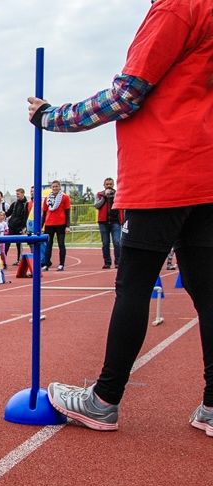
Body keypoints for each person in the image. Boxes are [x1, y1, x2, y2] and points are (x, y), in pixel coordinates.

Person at [29, 0, 213, 435]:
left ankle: (104, 399)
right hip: (204, 170)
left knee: (133, 285)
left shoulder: (176, 8)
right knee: (208, 292)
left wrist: (51, 117)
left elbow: (126, 95)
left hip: (162, 170)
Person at [40, 180, 71, 271]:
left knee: (61, 244)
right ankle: (46, 264)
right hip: (49, 224)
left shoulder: (65, 197)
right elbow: (44, 213)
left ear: (59, 187)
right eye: (53, 187)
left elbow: (67, 212)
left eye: (56, 186)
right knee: (48, 245)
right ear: (51, 188)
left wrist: (68, 226)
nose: (55, 188)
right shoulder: (47, 198)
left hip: (61, 224)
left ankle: (61, 264)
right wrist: (41, 226)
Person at [94, 177, 122, 269]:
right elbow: (97, 206)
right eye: (107, 184)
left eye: (110, 184)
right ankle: (107, 262)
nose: (109, 186)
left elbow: (122, 206)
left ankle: (118, 262)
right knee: (105, 243)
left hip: (116, 222)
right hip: (103, 222)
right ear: (104, 185)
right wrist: (105, 197)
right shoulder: (99, 194)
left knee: (117, 242)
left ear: (113, 185)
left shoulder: (118, 194)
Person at [6, 188, 29, 264]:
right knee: (7, 242)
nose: (17, 196)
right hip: (11, 226)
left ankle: (19, 260)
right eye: (16, 194)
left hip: (19, 227)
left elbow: (26, 216)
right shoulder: (14, 204)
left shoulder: (26, 204)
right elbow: (8, 213)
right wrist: (0, 214)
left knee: (19, 244)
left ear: (23, 193)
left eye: (18, 194)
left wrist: (24, 227)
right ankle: (3, 259)